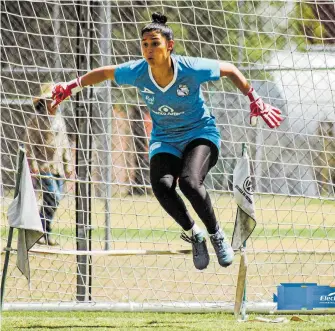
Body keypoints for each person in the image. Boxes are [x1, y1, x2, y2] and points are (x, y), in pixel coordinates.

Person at [51, 13, 282, 269]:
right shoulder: (137, 72)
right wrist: (70, 86)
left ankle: (217, 234)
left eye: (155, 43)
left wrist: (254, 98)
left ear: (169, 46)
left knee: (190, 183)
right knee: (161, 186)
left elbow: (230, 69)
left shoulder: (190, 68)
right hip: (165, 138)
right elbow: (104, 73)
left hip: (199, 133)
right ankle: (195, 234)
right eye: (145, 44)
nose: (149, 49)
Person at [25, 84, 73, 246]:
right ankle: (42, 231)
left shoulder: (59, 119)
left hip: (58, 167)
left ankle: (41, 232)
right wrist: (33, 164)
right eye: (49, 100)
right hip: (44, 166)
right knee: (53, 197)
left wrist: (68, 165)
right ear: (43, 102)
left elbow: (64, 142)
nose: (53, 103)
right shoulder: (36, 120)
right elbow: (29, 145)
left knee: (53, 201)